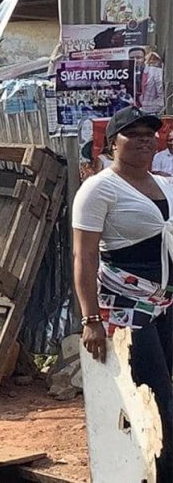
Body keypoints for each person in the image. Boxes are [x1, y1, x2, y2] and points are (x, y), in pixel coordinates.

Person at [72, 106, 173, 483]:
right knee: (154, 396)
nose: (145, 140)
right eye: (134, 134)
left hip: (165, 303)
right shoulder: (99, 189)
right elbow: (83, 256)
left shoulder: (166, 184)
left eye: (150, 134)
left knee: (165, 396)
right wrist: (90, 319)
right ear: (113, 143)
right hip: (126, 309)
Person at [141, 50, 165, 114]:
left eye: (154, 60)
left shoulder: (156, 72)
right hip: (143, 108)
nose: (151, 62)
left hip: (153, 109)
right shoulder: (143, 72)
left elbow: (160, 92)